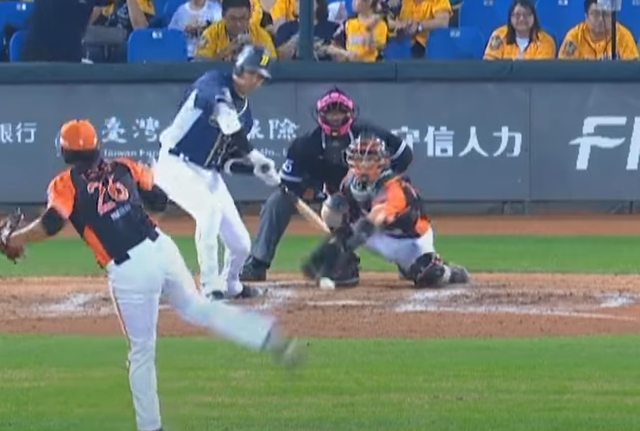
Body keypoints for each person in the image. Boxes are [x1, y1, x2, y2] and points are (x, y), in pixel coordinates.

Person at [0, 119, 301, 431]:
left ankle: (151, 427)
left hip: (129, 269)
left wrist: (12, 239)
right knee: (198, 308)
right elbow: (159, 200)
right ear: (97, 146)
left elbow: (51, 224)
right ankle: (264, 334)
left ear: (65, 152)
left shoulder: (65, 184)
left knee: (142, 352)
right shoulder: (124, 165)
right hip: (161, 248)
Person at [241, 87, 413, 287]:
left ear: (350, 114)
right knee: (278, 200)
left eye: (340, 112)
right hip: (329, 199)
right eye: (330, 112)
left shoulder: (369, 133)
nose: (336, 117)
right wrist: (311, 190)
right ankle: (258, 262)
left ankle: (408, 260)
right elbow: (288, 186)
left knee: (398, 197)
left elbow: (404, 155)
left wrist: (378, 179)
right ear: (320, 115)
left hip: (368, 195)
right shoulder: (306, 145)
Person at [153, 44, 280, 301]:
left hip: (207, 172)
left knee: (241, 244)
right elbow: (226, 118)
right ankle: (211, 286)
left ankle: (231, 283)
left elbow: (226, 161)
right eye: (253, 73)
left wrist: (258, 170)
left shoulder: (246, 117)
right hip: (174, 162)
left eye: (261, 77)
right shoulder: (213, 82)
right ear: (240, 68)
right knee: (209, 212)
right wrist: (255, 156)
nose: (256, 81)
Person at [301, 130, 470, 289]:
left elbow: (375, 219)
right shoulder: (350, 181)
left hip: (410, 242)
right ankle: (346, 268)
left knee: (430, 275)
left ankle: (450, 272)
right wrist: (331, 246)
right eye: (358, 159)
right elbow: (344, 218)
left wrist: (346, 246)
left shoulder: (394, 188)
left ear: (381, 163)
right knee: (334, 207)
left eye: (369, 160)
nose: (362, 165)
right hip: (378, 236)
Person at [195, 0, 276, 61]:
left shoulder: (261, 35)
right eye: (233, 19)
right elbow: (199, 66)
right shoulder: (211, 34)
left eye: (243, 18)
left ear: (250, 15)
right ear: (223, 16)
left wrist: (258, 52)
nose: (238, 24)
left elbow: (271, 65)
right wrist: (224, 53)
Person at [558, 0, 639, 61]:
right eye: (596, 14)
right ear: (586, 17)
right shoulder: (575, 36)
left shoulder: (623, 35)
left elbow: (633, 70)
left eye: (605, 14)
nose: (601, 19)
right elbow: (564, 69)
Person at [484, 0, 556, 60]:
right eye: (517, 15)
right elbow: (490, 65)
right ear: (510, 17)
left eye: (526, 14)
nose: (521, 19)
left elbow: (541, 70)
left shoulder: (546, 41)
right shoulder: (499, 35)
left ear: (534, 17)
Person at [275, 0, 340, 60]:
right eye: (297, 1)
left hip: (325, 67)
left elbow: (342, 58)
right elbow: (278, 57)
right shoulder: (285, 28)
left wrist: (326, 49)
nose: (300, 3)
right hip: (295, 68)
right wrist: (293, 43)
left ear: (318, 4)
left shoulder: (333, 28)